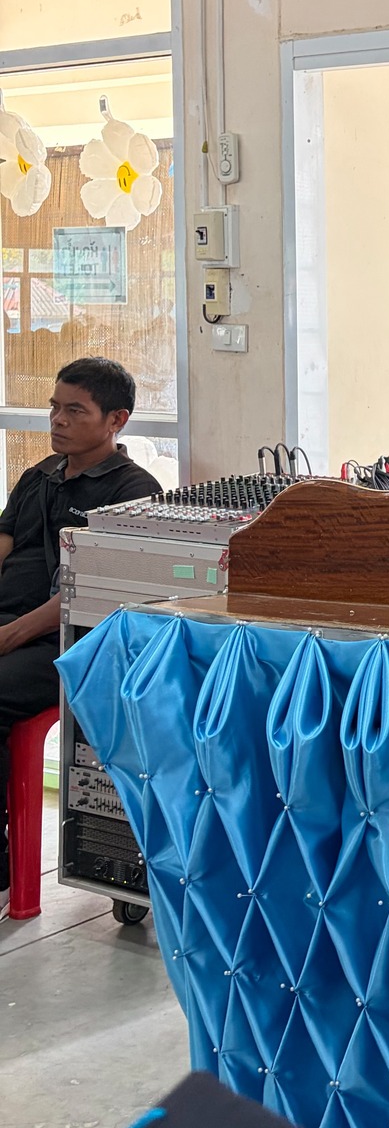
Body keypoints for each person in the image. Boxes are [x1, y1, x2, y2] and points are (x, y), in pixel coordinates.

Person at [0, 358, 163, 893]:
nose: (58, 420)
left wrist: (11, 636)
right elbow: (5, 543)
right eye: (54, 407)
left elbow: (85, 592)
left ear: (116, 420)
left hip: (71, 644)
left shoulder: (134, 492)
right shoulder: (38, 476)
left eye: (75, 410)